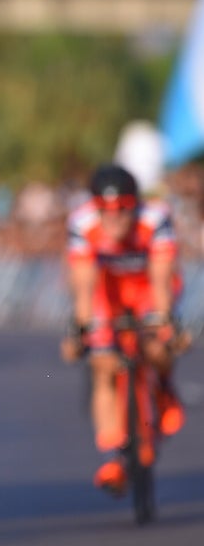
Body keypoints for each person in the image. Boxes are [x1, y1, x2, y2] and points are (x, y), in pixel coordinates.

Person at [60, 163, 190, 495]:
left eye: (123, 210)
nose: (114, 218)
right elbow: (83, 285)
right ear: (94, 207)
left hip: (147, 286)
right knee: (102, 364)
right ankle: (112, 455)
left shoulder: (155, 219)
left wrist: (163, 320)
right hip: (108, 292)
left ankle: (163, 385)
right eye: (106, 210)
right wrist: (82, 329)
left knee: (157, 345)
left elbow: (162, 278)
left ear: (136, 204)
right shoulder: (82, 223)